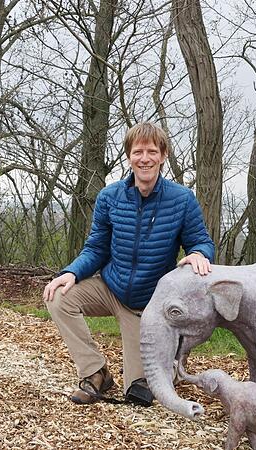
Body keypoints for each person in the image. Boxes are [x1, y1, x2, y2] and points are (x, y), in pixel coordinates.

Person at [43, 121, 215, 406]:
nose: (144, 158)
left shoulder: (182, 200)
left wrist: (199, 253)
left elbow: (201, 242)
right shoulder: (109, 197)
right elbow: (96, 248)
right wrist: (71, 272)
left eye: (151, 151)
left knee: (138, 392)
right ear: (129, 156)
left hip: (147, 305)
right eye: (138, 152)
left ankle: (165, 366)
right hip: (111, 287)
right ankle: (95, 373)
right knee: (58, 297)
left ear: (163, 155)